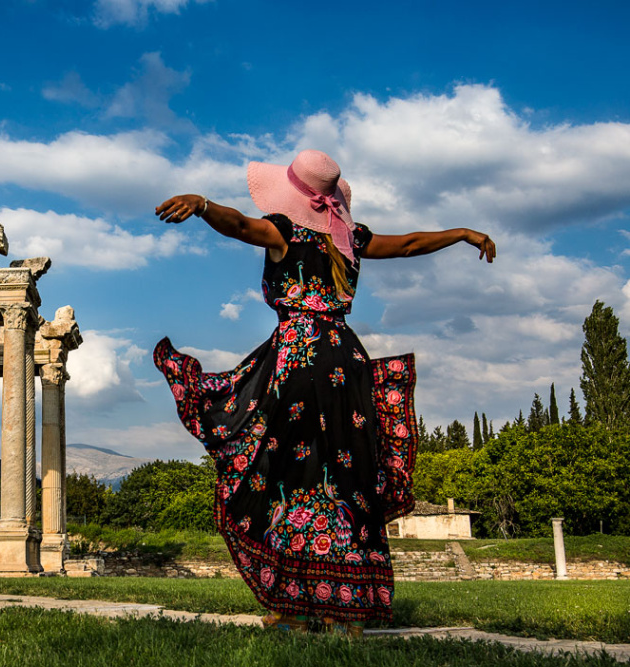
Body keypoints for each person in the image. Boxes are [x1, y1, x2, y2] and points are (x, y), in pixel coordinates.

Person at [153, 150, 494, 635]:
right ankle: (343, 610)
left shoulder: (283, 233)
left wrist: (203, 204)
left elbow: (241, 226)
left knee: (287, 472)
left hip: (298, 360)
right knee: (347, 475)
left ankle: (292, 606)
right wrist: (462, 233)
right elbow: (413, 243)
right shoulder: (349, 239)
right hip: (346, 363)